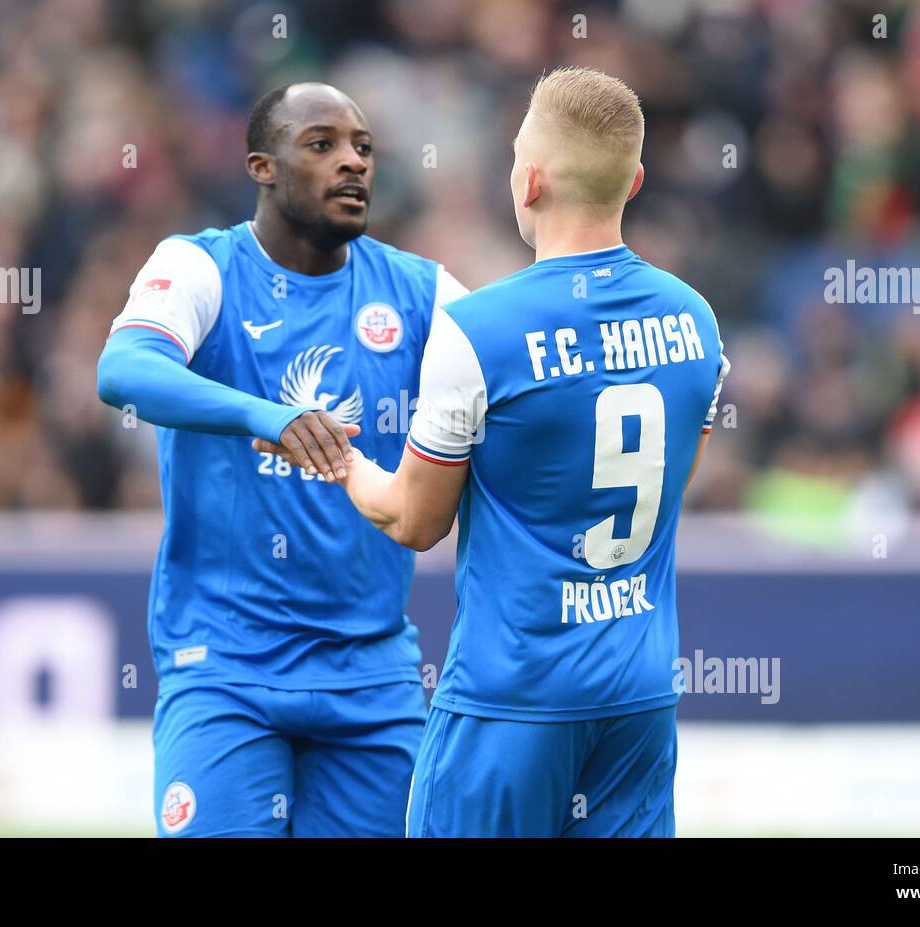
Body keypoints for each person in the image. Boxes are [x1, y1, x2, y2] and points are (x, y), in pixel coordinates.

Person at [257, 66, 729, 836]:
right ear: (634, 180)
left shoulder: (482, 329)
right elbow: (673, 481)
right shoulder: (696, 323)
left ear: (531, 179)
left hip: (512, 700)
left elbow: (414, 519)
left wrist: (331, 448)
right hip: (639, 698)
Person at [96, 82, 468, 837]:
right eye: (323, 145)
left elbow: (514, 380)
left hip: (371, 671)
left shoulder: (422, 291)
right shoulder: (203, 267)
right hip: (226, 664)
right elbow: (123, 368)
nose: (353, 163)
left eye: (363, 147)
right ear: (262, 166)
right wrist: (266, 416)